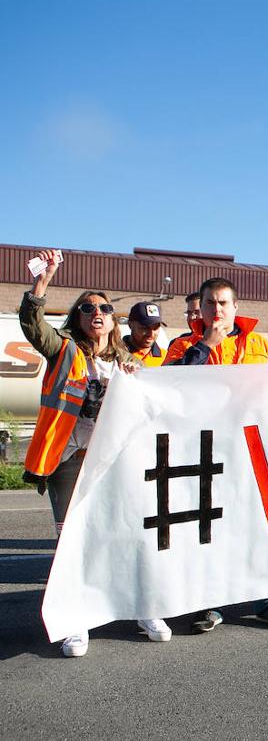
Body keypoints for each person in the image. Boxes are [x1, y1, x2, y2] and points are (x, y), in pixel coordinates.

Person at [20, 249, 170, 656]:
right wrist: (44, 280)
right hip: (69, 458)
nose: (97, 313)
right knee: (72, 540)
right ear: (78, 318)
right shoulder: (64, 348)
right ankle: (76, 618)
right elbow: (32, 324)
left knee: (129, 531)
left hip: (115, 459)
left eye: (104, 308)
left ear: (112, 319)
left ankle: (143, 606)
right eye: (87, 308)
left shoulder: (126, 358)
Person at [164, 277, 268, 632]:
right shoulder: (183, 345)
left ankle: (267, 599)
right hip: (204, 451)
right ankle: (208, 604)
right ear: (201, 308)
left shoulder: (261, 346)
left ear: (236, 307)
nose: (217, 310)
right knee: (208, 528)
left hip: (251, 449)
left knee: (259, 526)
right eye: (210, 303)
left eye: (224, 303)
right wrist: (205, 345)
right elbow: (168, 387)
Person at [123, 301, 167, 367]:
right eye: (145, 328)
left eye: (156, 328)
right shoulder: (115, 354)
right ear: (130, 325)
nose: (151, 334)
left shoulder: (166, 357)